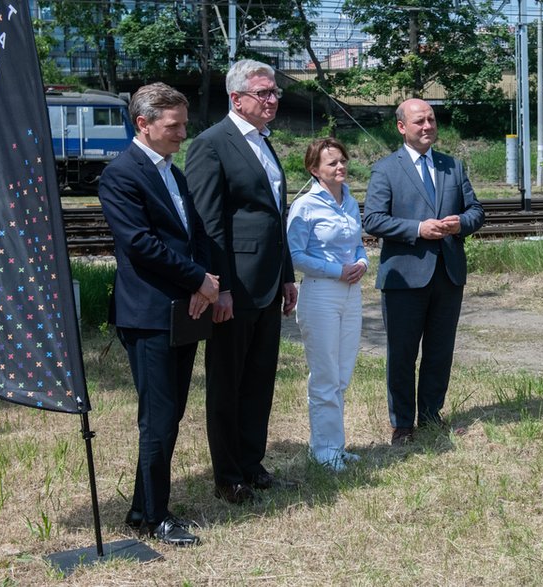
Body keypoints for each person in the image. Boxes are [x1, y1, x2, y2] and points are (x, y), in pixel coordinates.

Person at [99, 83, 219, 546]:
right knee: (159, 416)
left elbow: (195, 234)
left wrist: (203, 283)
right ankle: (155, 516)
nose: (183, 133)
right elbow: (140, 245)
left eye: (185, 124)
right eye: (174, 126)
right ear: (143, 123)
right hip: (149, 313)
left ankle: (139, 507)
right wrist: (196, 280)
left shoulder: (175, 172)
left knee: (170, 412)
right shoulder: (121, 175)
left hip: (183, 308)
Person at [185, 59, 298, 504]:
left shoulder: (264, 143)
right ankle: (228, 474)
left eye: (274, 93)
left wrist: (288, 275)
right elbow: (208, 224)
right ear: (237, 99)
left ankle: (252, 462)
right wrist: (220, 286)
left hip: (269, 284)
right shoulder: (212, 144)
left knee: (259, 379)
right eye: (263, 93)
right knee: (228, 383)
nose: (272, 100)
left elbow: (275, 218)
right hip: (235, 288)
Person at [363, 98, 485, 446]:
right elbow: (372, 219)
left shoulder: (453, 166)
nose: (428, 126)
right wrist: (418, 229)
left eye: (431, 119)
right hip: (404, 278)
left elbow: (476, 211)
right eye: (419, 121)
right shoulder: (386, 169)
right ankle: (402, 424)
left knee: (439, 351)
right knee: (402, 353)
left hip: (448, 275)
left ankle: (431, 415)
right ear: (402, 127)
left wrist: (460, 222)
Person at [287, 138, 368, 472]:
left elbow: (358, 245)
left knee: (343, 375)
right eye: (332, 163)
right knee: (325, 375)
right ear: (314, 169)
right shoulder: (305, 206)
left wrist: (362, 263)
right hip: (321, 293)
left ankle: (335, 446)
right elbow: (295, 254)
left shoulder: (349, 201)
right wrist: (338, 270)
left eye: (343, 160)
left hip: (351, 294)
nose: (340, 167)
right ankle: (324, 452)